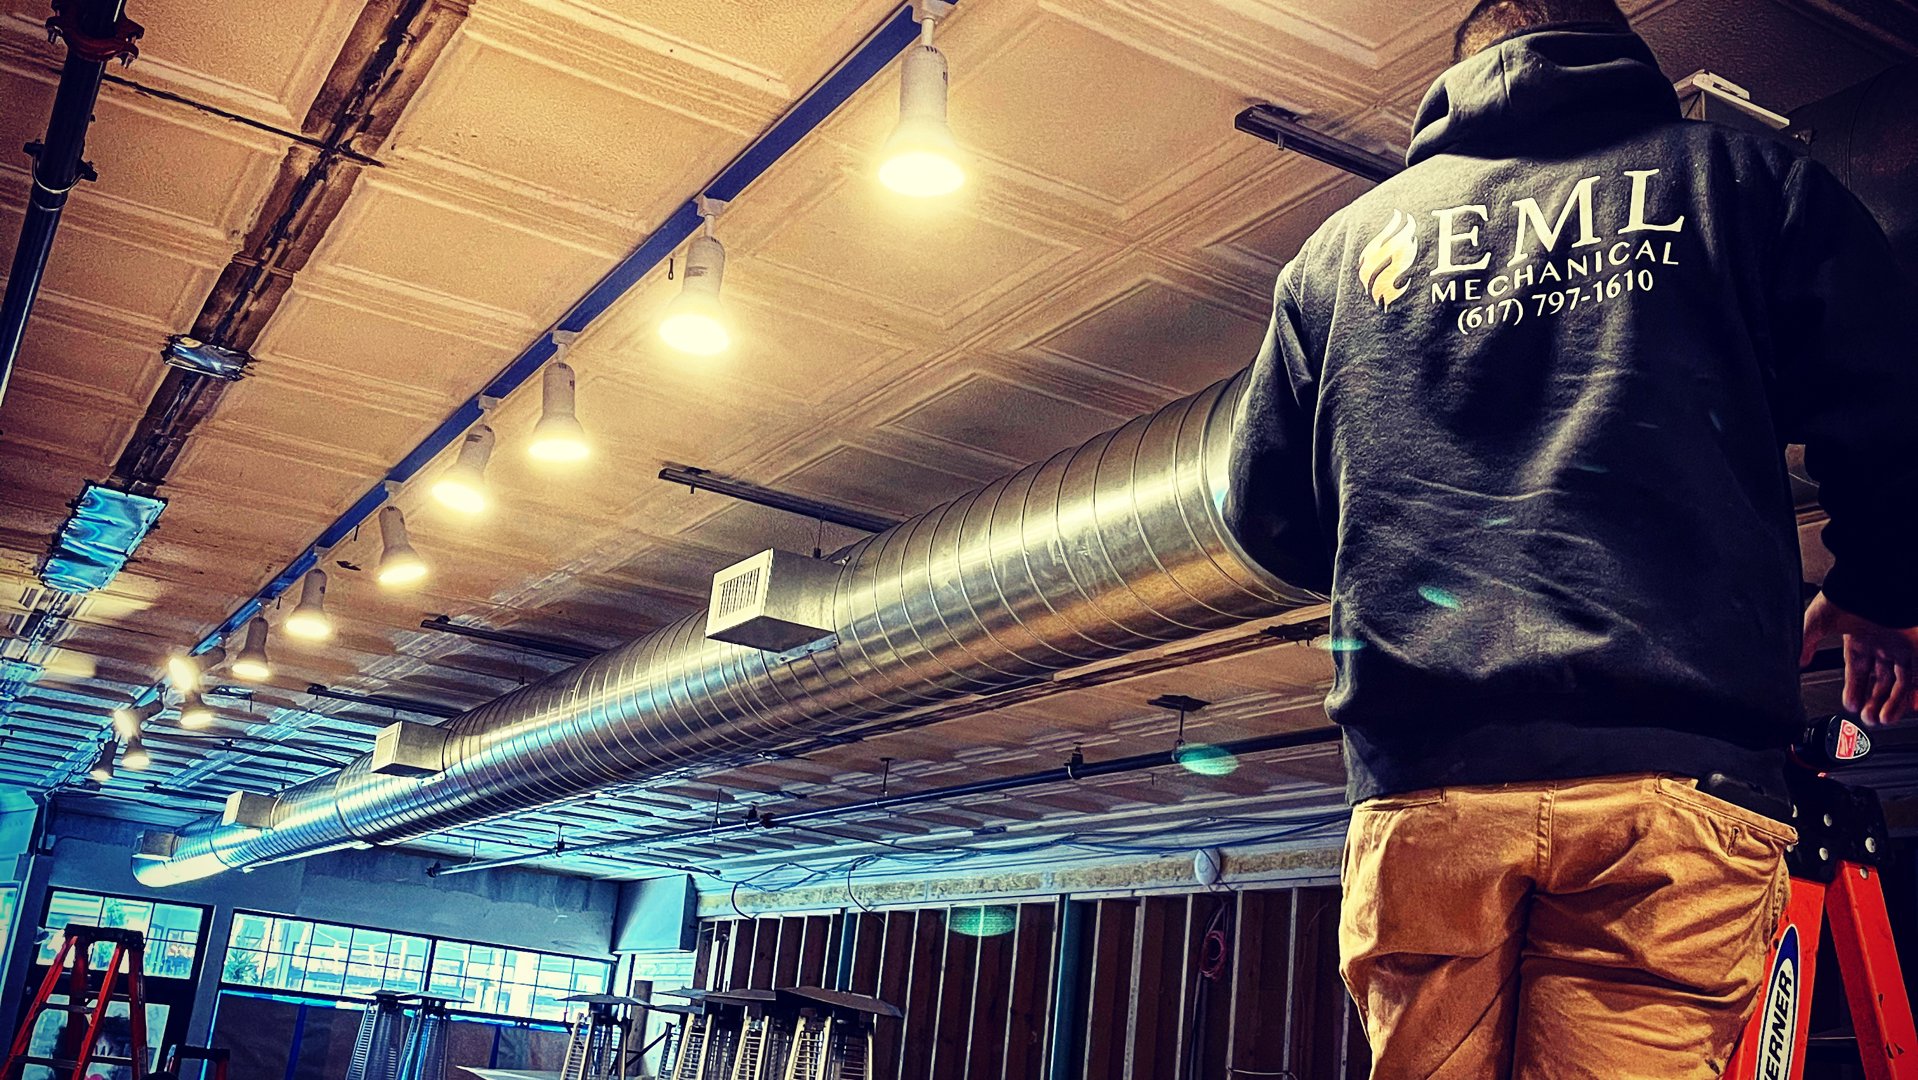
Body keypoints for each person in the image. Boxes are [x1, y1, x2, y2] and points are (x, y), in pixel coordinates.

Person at [1223, 0, 1918, 1075]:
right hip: (1670, 777)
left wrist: (1411, 565)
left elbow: (1263, 511)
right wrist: (1879, 587)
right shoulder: (1743, 183)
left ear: (1459, 75)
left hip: (1426, 789)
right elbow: (1890, 411)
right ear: (1619, 58)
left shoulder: (1336, 257)